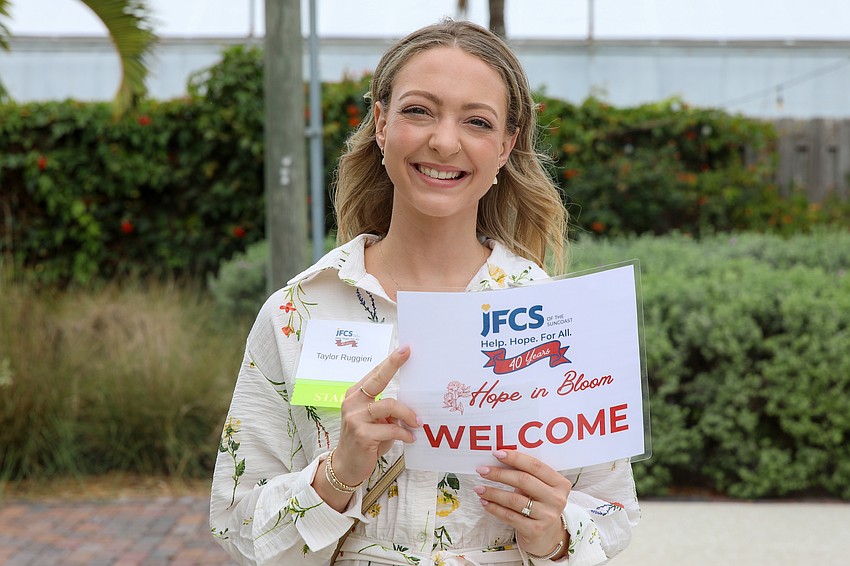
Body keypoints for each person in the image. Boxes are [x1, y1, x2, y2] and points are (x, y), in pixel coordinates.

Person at [210, 19, 639, 566]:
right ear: (382, 123)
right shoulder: (300, 312)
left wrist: (552, 536)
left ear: (506, 147)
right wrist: (338, 474)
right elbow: (234, 520)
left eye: (477, 121)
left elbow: (613, 512)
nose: (444, 140)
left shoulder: (557, 318)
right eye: (419, 111)